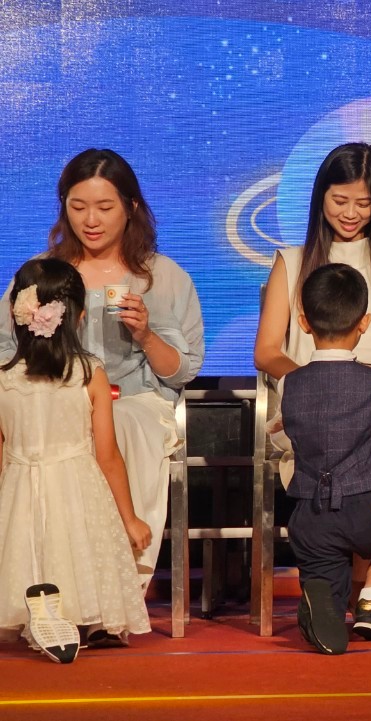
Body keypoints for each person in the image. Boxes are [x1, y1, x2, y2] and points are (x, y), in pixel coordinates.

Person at [0, 149, 204, 586]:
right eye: (78, 207)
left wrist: (146, 334)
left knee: (118, 426)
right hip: (50, 401)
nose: (90, 220)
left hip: (133, 399)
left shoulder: (161, 277)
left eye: (105, 207)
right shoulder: (43, 274)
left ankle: (117, 579)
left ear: (131, 207)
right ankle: (48, 579)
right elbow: (5, 351)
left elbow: (181, 371)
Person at [254, 143, 371, 571]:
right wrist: (316, 384)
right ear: (321, 197)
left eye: (363, 203)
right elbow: (266, 350)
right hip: (311, 401)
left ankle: (362, 586)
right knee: (348, 458)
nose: (351, 213)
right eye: (340, 200)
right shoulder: (291, 263)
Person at [0, 259, 152, 664]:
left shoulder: (3, 378)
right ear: (80, 317)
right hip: (77, 488)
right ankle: (83, 619)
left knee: (32, 548)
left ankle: (43, 618)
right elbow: (108, 456)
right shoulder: (89, 373)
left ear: (16, 315)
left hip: (20, 485)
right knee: (80, 550)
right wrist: (130, 518)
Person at [277, 264, 371, 655]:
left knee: (325, 569)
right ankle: (370, 599)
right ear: (364, 323)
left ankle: (326, 601)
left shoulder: (289, 383)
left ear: (304, 322)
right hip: (365, 505)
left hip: (310, 513)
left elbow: (285, 436)